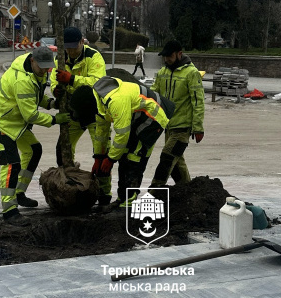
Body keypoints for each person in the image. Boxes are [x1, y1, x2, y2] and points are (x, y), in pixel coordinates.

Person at [0, 46, 70, 226]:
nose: (45, 70)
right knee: (11, 162)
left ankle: (19, 193)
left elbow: (35, 97)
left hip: (13, 120)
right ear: (32, 61)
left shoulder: (38, 72)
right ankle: (9, 210)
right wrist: (54, 120)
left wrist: (52, 103)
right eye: (42, 66)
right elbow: (30, 115)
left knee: (34, 150)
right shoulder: (21, 80)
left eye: (48, 67)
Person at [67, 76, 173, 209]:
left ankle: (128, 204)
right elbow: (101, 134)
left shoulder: (115, 101)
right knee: (123, 157)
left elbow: (122, 134)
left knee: (134, 158)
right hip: (137, 117)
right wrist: (99, 158)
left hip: (154, 116)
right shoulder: (99, 102)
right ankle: (122, 199)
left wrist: (110, 159)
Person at [49, 27, 108, 198]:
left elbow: (98, 82)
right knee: (63, 148)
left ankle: (104, 193)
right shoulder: (61, 58)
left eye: (74, 47)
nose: (70, 51)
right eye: (67, 47)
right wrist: (55, 90)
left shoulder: (93, 57)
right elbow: (54, 78)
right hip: (74, 111)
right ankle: (69, 186)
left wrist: (72, 79)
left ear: (82, 42)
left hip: (94, 111)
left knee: (101, 153)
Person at [149, 40, 205, 188]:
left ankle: (153, 193)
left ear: (179, 54)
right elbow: (154, 95)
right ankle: (189, 191)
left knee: (167, 158)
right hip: (167, 126)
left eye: (170, 56)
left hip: (182, 128)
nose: (167, 59)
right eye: (165, 56)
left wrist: (198, 128)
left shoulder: (192, 73)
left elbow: (198, 102)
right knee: (176, 163)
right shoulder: (163, 72)